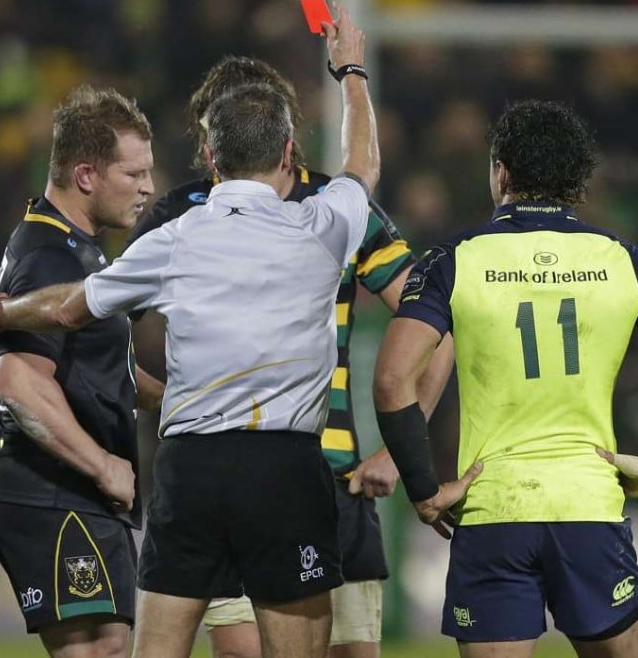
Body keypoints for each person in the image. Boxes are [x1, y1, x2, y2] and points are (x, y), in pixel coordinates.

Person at [0, 6, 398, 658]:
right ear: (289, 151)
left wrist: (3, 312)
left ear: (210, 157)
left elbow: (68, 307)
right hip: (285, 464)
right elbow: (363, 163)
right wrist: (351, 71)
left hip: (190, 468)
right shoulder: (327, 220)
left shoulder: (175, 237)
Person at [372, 100, 638, 658]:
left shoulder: (453, 261)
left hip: (493, 506)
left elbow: (393, 379)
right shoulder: (625, 261)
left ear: (500, 171)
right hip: (588, 503)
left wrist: (423, 490)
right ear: (579, 182)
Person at [130, 55, 456, 658]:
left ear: (280, 137)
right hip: (227, 467)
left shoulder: (337, 209)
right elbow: (110, 328)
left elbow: (433, 324)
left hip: (334, 477)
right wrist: (152, 394)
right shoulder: (184, 212)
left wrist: (397, 447)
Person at [0, 85, 164, 658]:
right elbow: (17, 381)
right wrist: (103, 464)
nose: (148, 188)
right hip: (56, 493)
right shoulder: (49, 257)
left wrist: (182, 399)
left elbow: (98, 372)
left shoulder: (77, 248)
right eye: (133, 174)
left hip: (71, 497)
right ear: (86, 176)